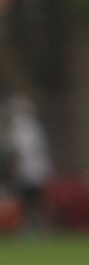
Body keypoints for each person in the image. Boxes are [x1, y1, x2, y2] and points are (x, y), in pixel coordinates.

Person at [6, 94, 51, 227]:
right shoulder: (35, 127)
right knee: (33, 203)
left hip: (28, 173)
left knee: (25, 203)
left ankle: (31, 226)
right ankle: (36, 227)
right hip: (36, 171)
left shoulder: (20, 129)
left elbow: (18, 152)